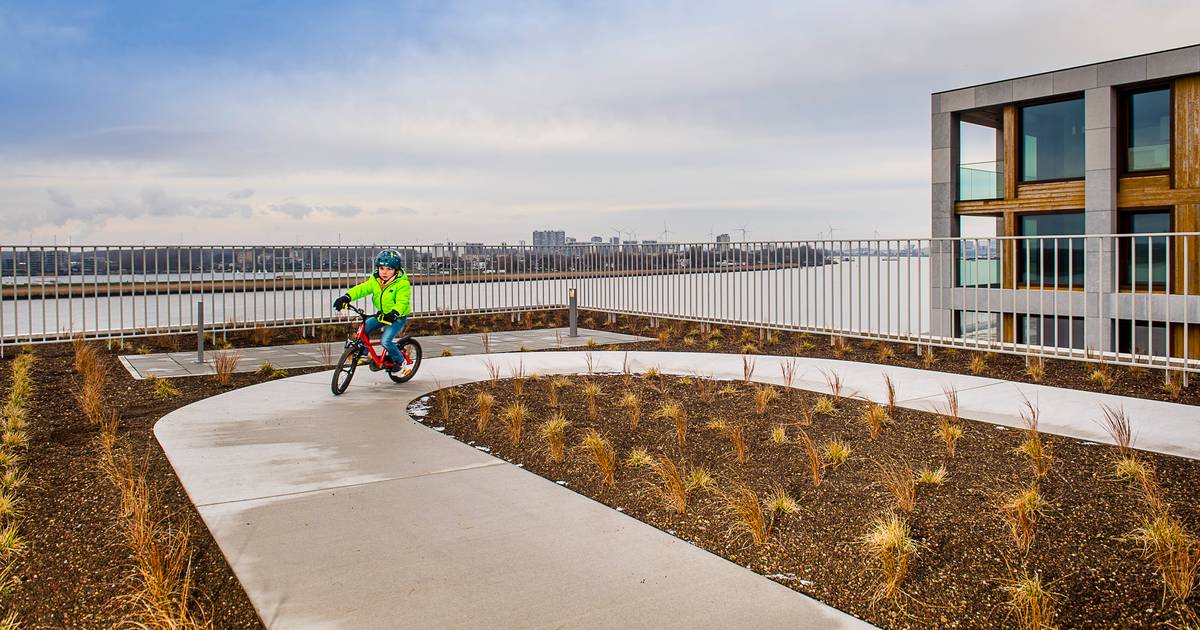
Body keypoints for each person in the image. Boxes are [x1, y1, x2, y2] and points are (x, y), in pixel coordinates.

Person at [333, 250, 413, 371]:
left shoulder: (402, 284)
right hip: (382, 315)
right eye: (382, 268)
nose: (384, 272)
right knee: (363, 328)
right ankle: (365, 354)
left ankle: (400, 361)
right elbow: (362, 289)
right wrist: (346, 297)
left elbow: (403, 302)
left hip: (397, 317)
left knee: (385, 341)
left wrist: (395, 313)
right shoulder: (375, 280)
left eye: (389, 269)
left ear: (396, 270)